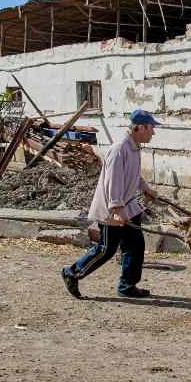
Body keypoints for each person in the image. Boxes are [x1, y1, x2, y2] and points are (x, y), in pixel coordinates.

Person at [61, 109, 160, 299]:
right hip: (112, 209)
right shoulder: (119, 150)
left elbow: (132, 175)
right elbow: (112, 184)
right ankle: (71, 273)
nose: (153, 132)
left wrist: (146, 188)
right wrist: (116, 212)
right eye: (151, 128)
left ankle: (127, 286)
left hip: (128, 207)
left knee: (135, 245)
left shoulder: (134, 147)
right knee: (106, 249)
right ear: (139, 127)